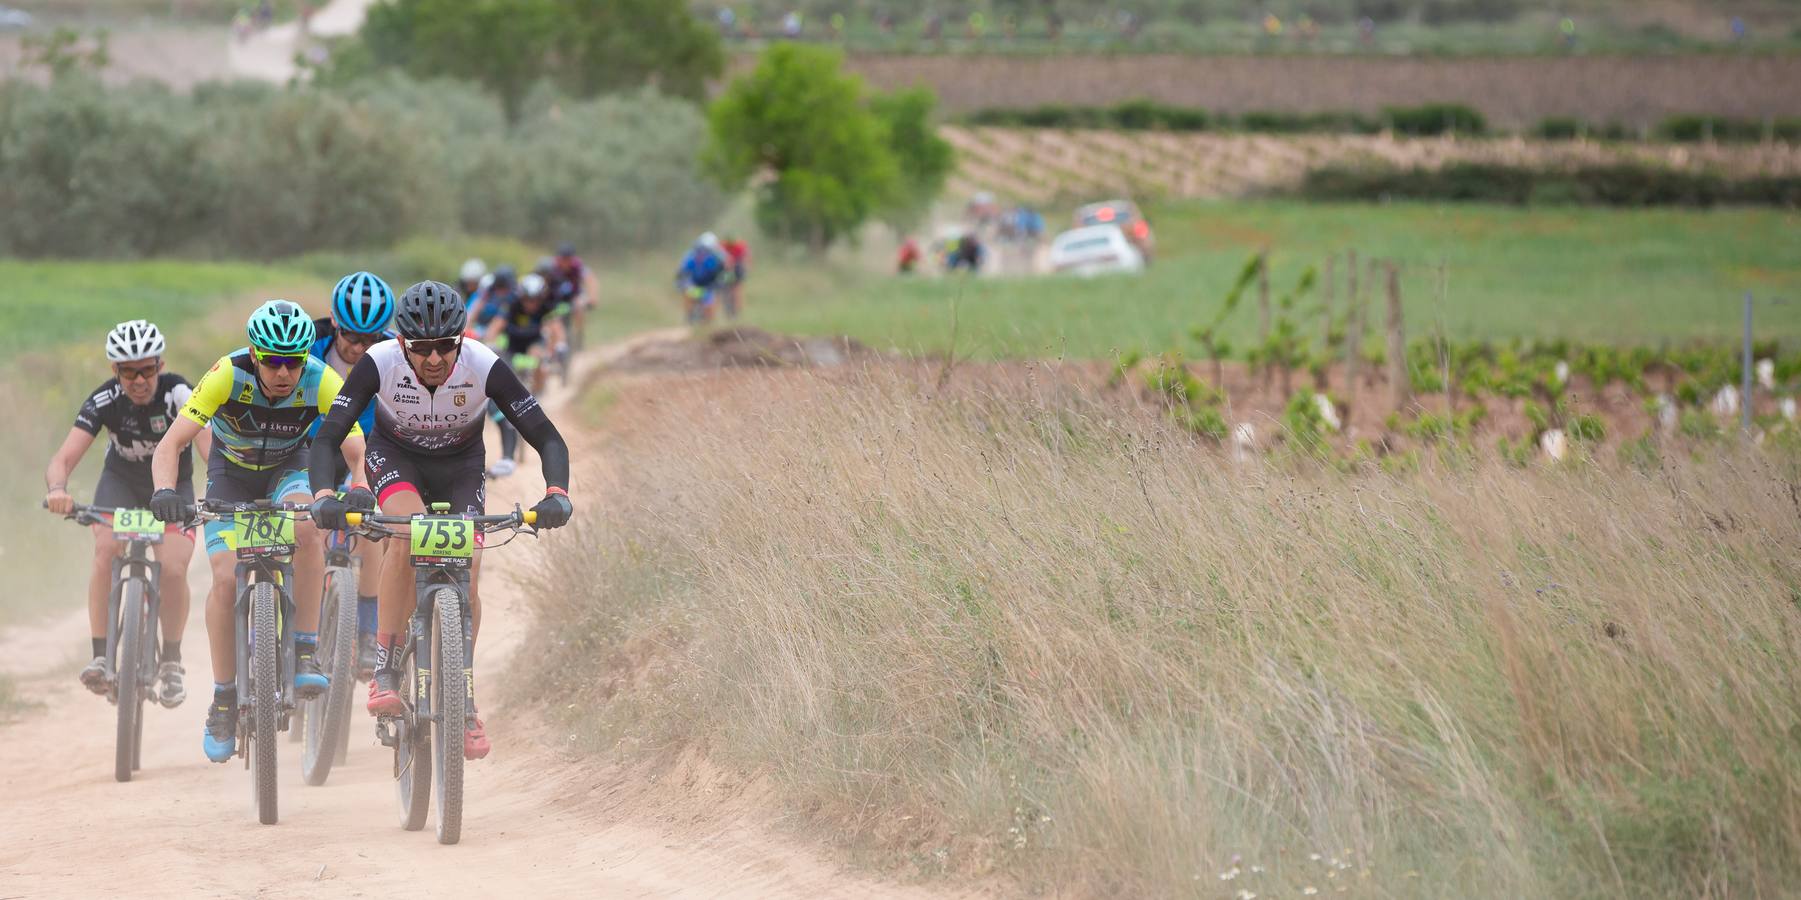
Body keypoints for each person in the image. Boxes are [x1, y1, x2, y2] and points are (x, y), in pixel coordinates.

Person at [307, 281, 573, 761]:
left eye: (444, 348)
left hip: (460, 468)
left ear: (461, 339)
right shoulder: (380, 361)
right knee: (407, 538)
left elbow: (546, 437)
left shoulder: (483, 364)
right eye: (421, 349)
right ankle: (385, 668)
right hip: (395, 460)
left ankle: (464, 701)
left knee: (469, 564)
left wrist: (557, 492)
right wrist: (325, 493)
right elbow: (328, 437)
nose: (433, 359)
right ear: (403, 343)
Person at [150, 301, 367, 763]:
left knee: (309, 526)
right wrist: (165, 490)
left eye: (294, 360)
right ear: (254, 352)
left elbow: (353, 443)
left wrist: (363, 484)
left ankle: (306, 648)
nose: (285, 372)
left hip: (291, 467)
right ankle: (224, 700)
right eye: (272, 360)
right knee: (225, 580)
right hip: (231, 474)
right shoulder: (227, 374)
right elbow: (171, 443)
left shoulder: (321, 378)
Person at [45, 321, 205, 707]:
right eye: (128, 371)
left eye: (147, 369)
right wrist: (57, 490)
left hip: (170, 490)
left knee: (173, 567)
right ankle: (100, 654)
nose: (138, 380)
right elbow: (64, 457)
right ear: (115, 372)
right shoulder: (104, 400)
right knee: (104, 551)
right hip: (120, 485)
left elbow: (209, 447)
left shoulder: (179, 393)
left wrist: (218, 487)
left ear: (160, 365)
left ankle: (171, 662)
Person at [309, 272, 396, 675]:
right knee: (302, 527)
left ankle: (366, 630)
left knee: (371, 527)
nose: (362, 349)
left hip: (369, 442)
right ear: (333, 323)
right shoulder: (307, 345)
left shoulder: (394, 352)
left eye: (371, 340)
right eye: (352, 339)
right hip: (313, 443)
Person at [486, 273, 567, 396]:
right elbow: (496, 325)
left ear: (541, 298)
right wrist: (490, 343)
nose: (531, 303)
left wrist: (560, 344)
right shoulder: (511, 304)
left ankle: (537, 395)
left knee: (539, 360)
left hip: (534, 341)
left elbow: (557, 327)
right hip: (513, 342)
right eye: (527, 299)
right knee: (503, 371)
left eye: (535, 300)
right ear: (521, 296)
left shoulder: (547, 306)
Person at [676, 232, 729, 325]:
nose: (702, 252)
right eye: (700, 249)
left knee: (710, 305)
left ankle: (709, 324)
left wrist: (720, 283)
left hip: (709, 286)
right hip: (694, 284)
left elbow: (722, 272)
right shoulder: (691, 257)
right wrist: (682, 283)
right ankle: (689, 318)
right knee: (688, 295)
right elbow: (682, 272)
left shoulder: (716, 258)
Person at [551, 242, 597, 348]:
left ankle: (579, 336)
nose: (565, 262)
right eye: (563, 259)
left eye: (568, 259)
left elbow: (591, 279)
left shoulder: (578, 266)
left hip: (575, 295)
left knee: (579, 306)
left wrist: (593, 297)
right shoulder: (553, 267)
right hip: (558, 298)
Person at [721, 236, 750, 319]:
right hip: (726, 269)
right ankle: (728, 309)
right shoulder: (723, 245)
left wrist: (745, 267)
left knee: (737, 289)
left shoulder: (740, 246)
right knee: (726, 288)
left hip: (738, 267)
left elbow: (746, 257)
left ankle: (737, 310)